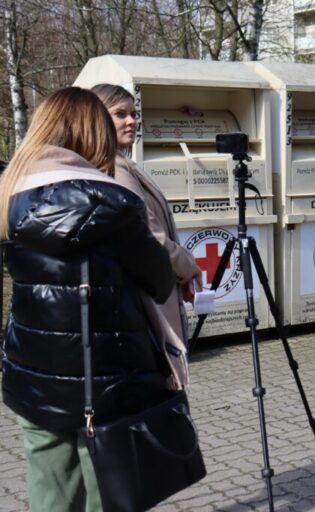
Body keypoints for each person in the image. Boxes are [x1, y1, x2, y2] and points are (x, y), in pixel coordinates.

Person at [0, 87, 175, 511]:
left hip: (32, 374)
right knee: (109, 495)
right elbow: (159, 279)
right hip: (107, 379)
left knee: (50, 493)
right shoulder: (116, 203)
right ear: (93, 133)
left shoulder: (9, 194)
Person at [92, 83, 202, 389]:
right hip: (148, 300)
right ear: (97, 118)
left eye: (134, 114)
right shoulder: (114, 169)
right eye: (120, 114)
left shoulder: (121, 163)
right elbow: (150, 235)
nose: (131, 121)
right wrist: (189, 268)